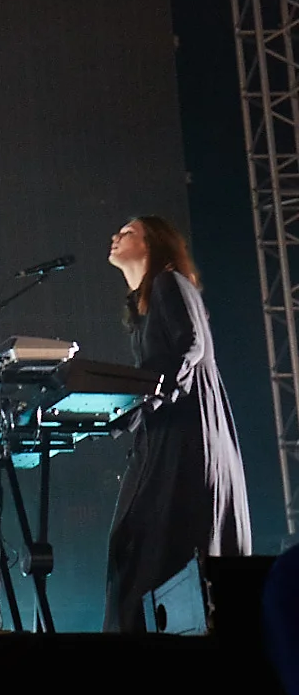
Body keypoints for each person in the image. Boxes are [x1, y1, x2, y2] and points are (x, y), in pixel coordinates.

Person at [103, 216, 251, 634]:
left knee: (153, 544)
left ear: (154, 245)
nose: (115, 237)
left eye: (128, 232)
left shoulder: (170, 282)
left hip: (186, 436)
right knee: (138, 546)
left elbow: (190, 346)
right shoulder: (145, 306)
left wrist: (140, 398)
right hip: (167, 434)